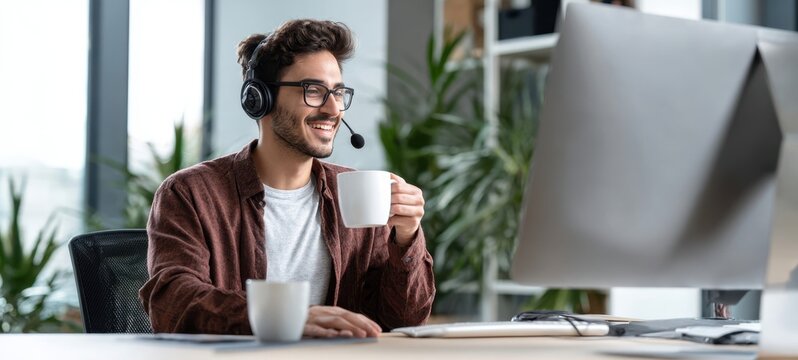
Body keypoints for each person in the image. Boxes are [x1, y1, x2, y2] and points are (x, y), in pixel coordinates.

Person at [139, 19, 435, 338]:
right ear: (259, 98)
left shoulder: (354, 194)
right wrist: (285, 318)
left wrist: (406, 239)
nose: (334, 109)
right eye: (314, 91)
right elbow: (174, 300)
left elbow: (403, 320)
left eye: (338, 92)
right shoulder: (192, 193)